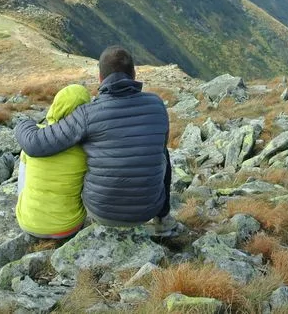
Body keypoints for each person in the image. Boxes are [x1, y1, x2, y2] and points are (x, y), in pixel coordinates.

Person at [15, 46, 174, 231]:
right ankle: (163, 219)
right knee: (163, 154)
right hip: (149, 210)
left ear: (100, 78)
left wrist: (23, 123)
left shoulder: (87, 114)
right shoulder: (157, 104)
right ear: (134, 73)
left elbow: (35, 145)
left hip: (101, 212)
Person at [15, 84, 91, 238]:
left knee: (25, 161)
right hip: (68, 227)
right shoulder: (87, 148)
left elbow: (21, 179)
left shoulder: (35, 137)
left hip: (27, 223)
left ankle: (30, 208)